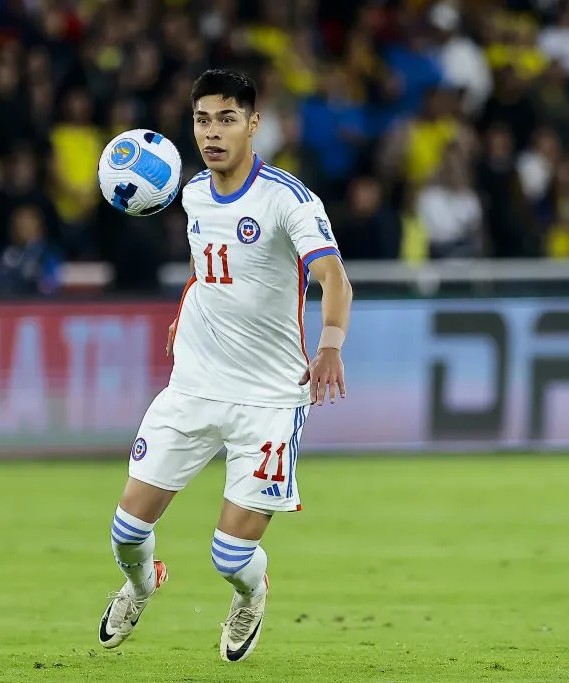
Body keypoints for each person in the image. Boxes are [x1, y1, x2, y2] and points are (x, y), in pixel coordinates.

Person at [98, 69, 353, 663]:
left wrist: (330, 345)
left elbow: (334, 277)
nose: (212, 132)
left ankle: (250, 594)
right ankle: (142, 584)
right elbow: (207, 267)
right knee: (126, 533)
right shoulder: (190, 193)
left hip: (268, 400)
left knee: (231, 557)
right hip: (193, 387)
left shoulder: (287, 199)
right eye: (202, 120)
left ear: (253, 123)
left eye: (226, 119)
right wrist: (186, 311)